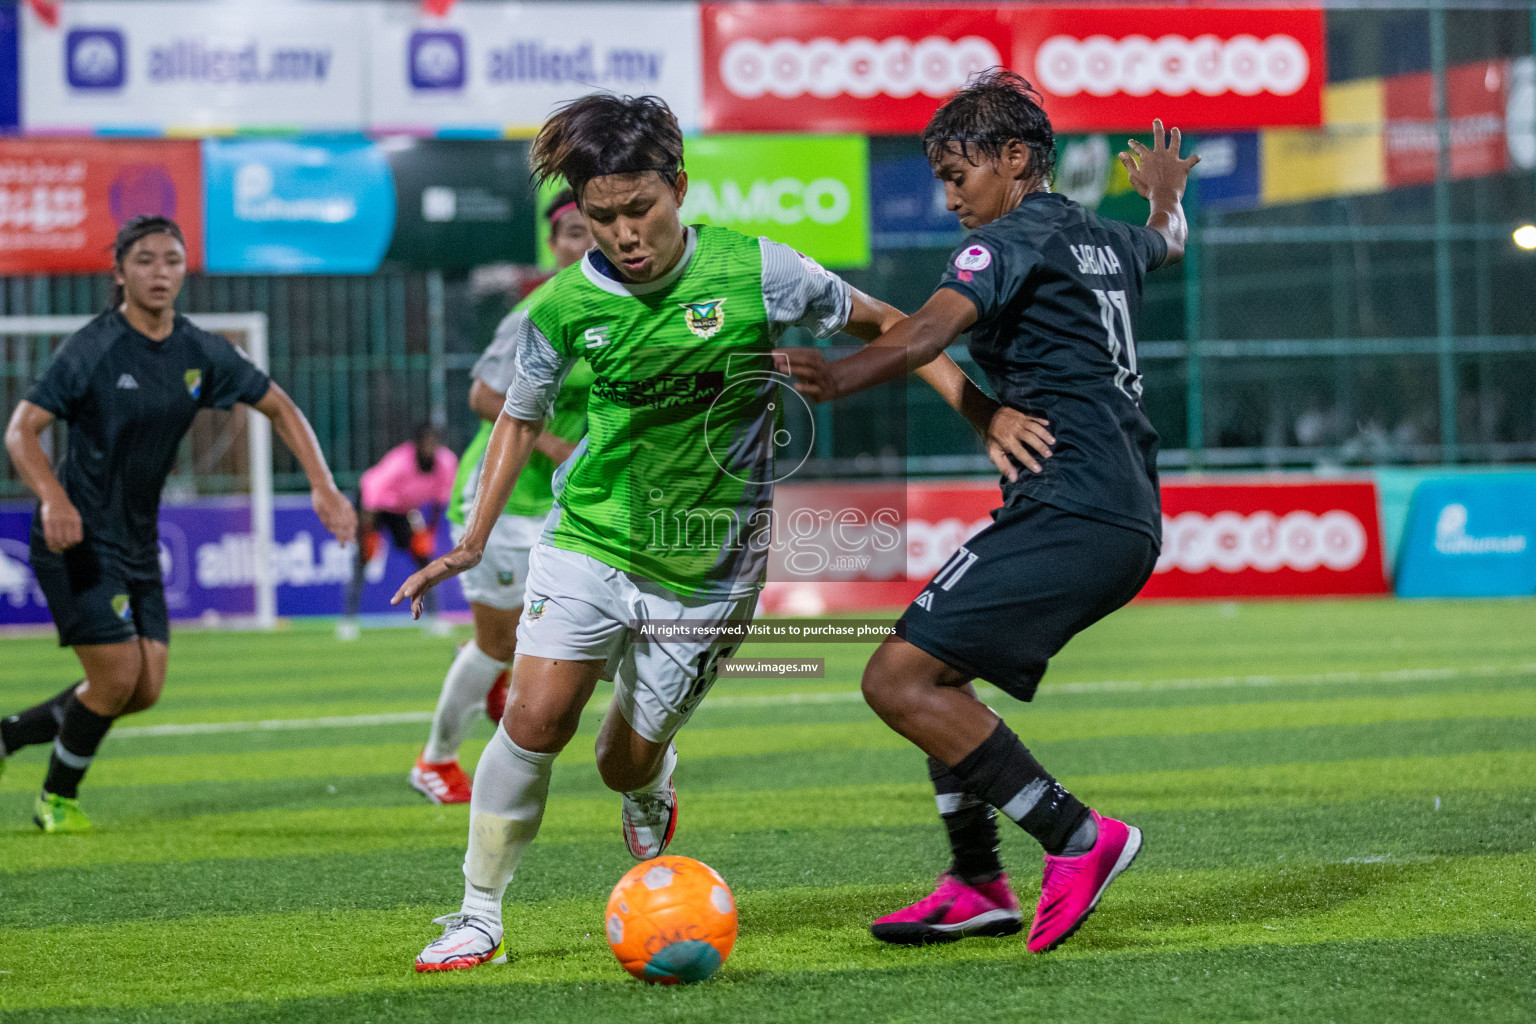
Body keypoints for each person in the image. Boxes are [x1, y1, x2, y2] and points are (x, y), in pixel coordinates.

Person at [392, 92, 1054, 972]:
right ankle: (478, 915)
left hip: (709, 571)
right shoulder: (559, 308)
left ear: (679, 189)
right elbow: (518, 416)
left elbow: (894, 326)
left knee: (620, 762)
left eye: (640, 210)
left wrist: (980, 414)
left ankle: (651, 782)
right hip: (592, 535)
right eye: (602, 219)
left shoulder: (757, 272)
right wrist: (475, 538)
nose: (624, 234)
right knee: (533, 716)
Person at [777, 71, 1194, 953]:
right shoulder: (1107, 239)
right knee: (939, 669)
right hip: (1114, 509)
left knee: (895, 679)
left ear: (1015, 159)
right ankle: (975, 881)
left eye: (957, 174)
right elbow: (1169, 241)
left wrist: (839, 377)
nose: (948, 195)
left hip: (1072, 508)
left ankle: (1079, 836)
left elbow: (928, 330)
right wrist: (1164, 195)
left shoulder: (1008, 241)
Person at [0, 215, 356, 832]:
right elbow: (21, 431)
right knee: (113, 679)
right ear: (119, 273)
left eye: (171, 260)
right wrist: (54, 500)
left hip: (138, 540)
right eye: (144, 260)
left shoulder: (200, 349)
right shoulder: (93, 347)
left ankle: (9, 736)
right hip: (77, 535)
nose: (159, 272)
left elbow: (279, 406)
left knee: (145, 688)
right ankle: (56, 800)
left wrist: (323, 485)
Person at [409, 189, 596, 804]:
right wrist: (554, 446)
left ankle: (501, 680)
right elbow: (485, 396)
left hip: (568, 504)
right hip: (507, 500)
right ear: (554, 244)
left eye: (595, 227)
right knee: (497, 642)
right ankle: (435, 760)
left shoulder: (626, 309)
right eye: (572, 232)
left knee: (567, 633)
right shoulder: (539, 308)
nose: (587, 242)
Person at [337, 423, 457, 640]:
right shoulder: (399, 462)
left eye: (434, 441)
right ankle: (348, 621)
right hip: (372, 507)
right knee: (363, 559)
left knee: (424, 558)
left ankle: (435, 618)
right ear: (416, 444)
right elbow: (371, 495)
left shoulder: (446, 463)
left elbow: (440, 502)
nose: (430, 447)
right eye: (425, 442)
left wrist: (428, 532)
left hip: (403, 510)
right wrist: (368, 534)